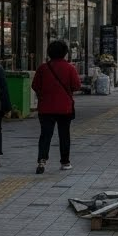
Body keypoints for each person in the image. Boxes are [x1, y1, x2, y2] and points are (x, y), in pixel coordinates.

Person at [31, 40, 80, 174]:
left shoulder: (43, 68)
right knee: (64, 134)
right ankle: (65, 162)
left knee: (45, 134)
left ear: (49, 52)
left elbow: (35, 85)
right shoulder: (70, 68)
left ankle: (42, 160)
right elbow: (76, 86)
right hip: (65, 108)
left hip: (45, 108)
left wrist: (43, 95)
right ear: (65, 53)